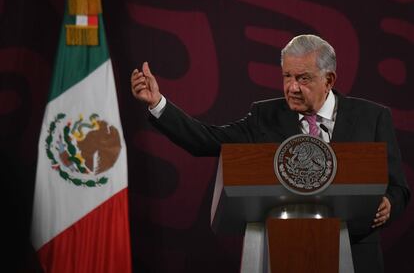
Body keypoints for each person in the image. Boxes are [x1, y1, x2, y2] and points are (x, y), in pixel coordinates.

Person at [131, 34, 410, 272]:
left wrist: (389, 204)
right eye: (287, 76)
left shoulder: (372, 118)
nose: (292, 87)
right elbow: (206, 140)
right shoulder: (265, 116)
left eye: (303, 78)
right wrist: (158, 104)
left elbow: (398, 187)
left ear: (329, 79)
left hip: (356, 255)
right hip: (279, 255)